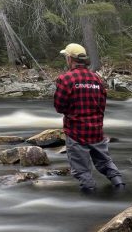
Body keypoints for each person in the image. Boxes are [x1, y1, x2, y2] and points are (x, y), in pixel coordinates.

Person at [54, 43, 125, 194]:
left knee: (82, 170)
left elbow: (59, 107)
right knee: (105, 162)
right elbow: (102, 105)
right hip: (96, 131)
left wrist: (71, 110)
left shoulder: (65, 79)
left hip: (76, 133)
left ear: (69, 59)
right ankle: (120, 187)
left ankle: (90, 194)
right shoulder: (97, 79)